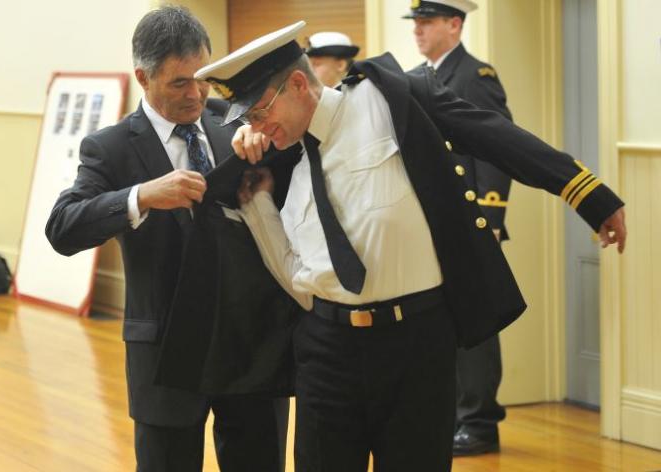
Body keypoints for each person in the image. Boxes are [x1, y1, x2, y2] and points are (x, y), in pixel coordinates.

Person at [196, 21, 626, 471]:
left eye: (259, 113)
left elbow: (493, 135)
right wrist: (254, 157)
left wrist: (586, 193)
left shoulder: (392, 100)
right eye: (248, 120)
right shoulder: (275, 156)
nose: (257, 128)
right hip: (324, 348)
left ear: (299, 84)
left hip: (416, 342)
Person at [46, 7, 294, 471]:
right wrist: (140, 196)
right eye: (179, 83)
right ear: (142, 76)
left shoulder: (236, 122)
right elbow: (63, 227)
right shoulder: (111, 147)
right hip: (165, 354)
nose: (197, 93)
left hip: (249, 348)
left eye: (202, 78)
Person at [405, 0, 513, 455]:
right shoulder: (416, 77)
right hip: (435, 223)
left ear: (455, 23)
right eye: (416, 23)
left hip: (472, 223)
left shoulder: (474, 76)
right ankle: (451, 418)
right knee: (442, 325)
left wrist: (489, 217)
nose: (418, 31)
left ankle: (480, 422)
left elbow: (495, 145)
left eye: (427, 22)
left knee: (476, 326)